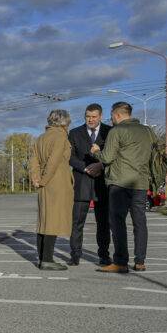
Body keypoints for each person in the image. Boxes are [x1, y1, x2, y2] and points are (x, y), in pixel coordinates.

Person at [91, 102, 154, 273]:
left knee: (118, 222)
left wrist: (96, 151)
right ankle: (140, 261)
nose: (112, 119)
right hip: (141, 182)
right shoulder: (147, 131)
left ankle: (120, 261)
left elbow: (107, 158)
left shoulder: (117, 131)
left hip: (120, 183)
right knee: (140, 222)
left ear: (118, 115)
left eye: (112, 117)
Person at [30, 110, 74, 270]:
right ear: (65, 123)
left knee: (43, 221)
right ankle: (47, 259)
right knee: (53, 222)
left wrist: (36, 178)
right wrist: (44, 180)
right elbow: (54, 161)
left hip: (43, 183)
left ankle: (42, 259)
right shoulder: (61, 137)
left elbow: (34, 159)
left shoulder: (41, 138)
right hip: (56, 182)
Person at [68, 103, 111, 266]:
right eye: (87, 116)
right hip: (81, 183)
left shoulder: (110, 132)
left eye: (94, 117)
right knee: (77, 222)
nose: (90, 120)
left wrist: (100, 165)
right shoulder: (74, 133)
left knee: (103, 223)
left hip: (103, 185)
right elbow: (70, 157)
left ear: (101, 116)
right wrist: (86, 168)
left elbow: (114, 154)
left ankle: (104, 255)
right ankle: (75, 255)